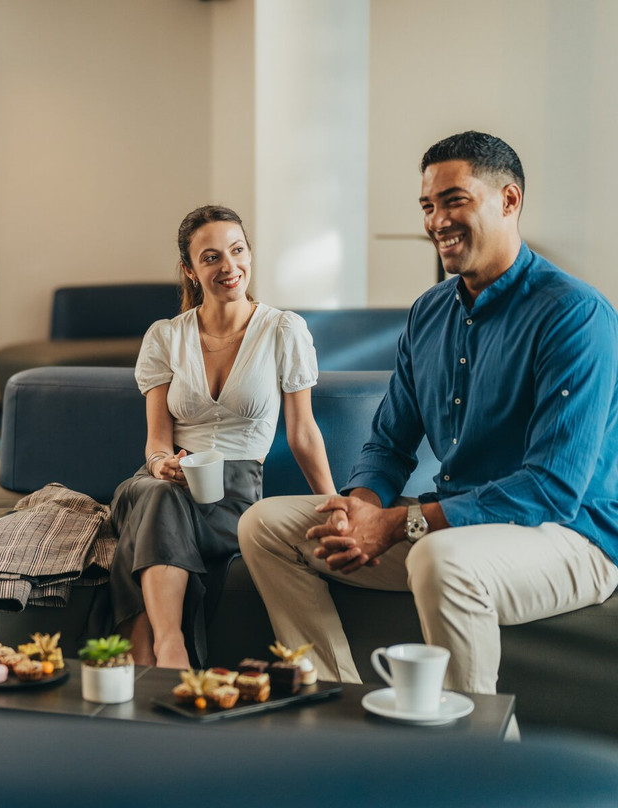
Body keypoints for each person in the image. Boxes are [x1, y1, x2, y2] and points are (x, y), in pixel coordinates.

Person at [238, 131, 618, 694]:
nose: (437, 221)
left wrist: (399, 524)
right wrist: (361, 508)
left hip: (570, 536)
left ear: (509, 200)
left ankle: (469, 744)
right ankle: (336, 700)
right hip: (456, 525)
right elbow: (389, 444)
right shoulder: (429, 313)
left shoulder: (575, 315)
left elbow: (553, 488)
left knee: (440, 558)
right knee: (266, 525)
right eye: (427, 206)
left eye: (454, 201)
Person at [110, 205, 336, 669]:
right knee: (157, 495)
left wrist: (334, 505)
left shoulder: (283, 330)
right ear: (190, 270)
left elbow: (302, 432)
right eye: (211, 257)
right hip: (164, 482)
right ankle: (172, 647)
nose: (229, 266)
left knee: (154, 512)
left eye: (237, 251)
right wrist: (160, 464)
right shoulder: (164, 337)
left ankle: (142, 651)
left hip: (233, 496)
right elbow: (157, 441)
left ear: (249, 254)